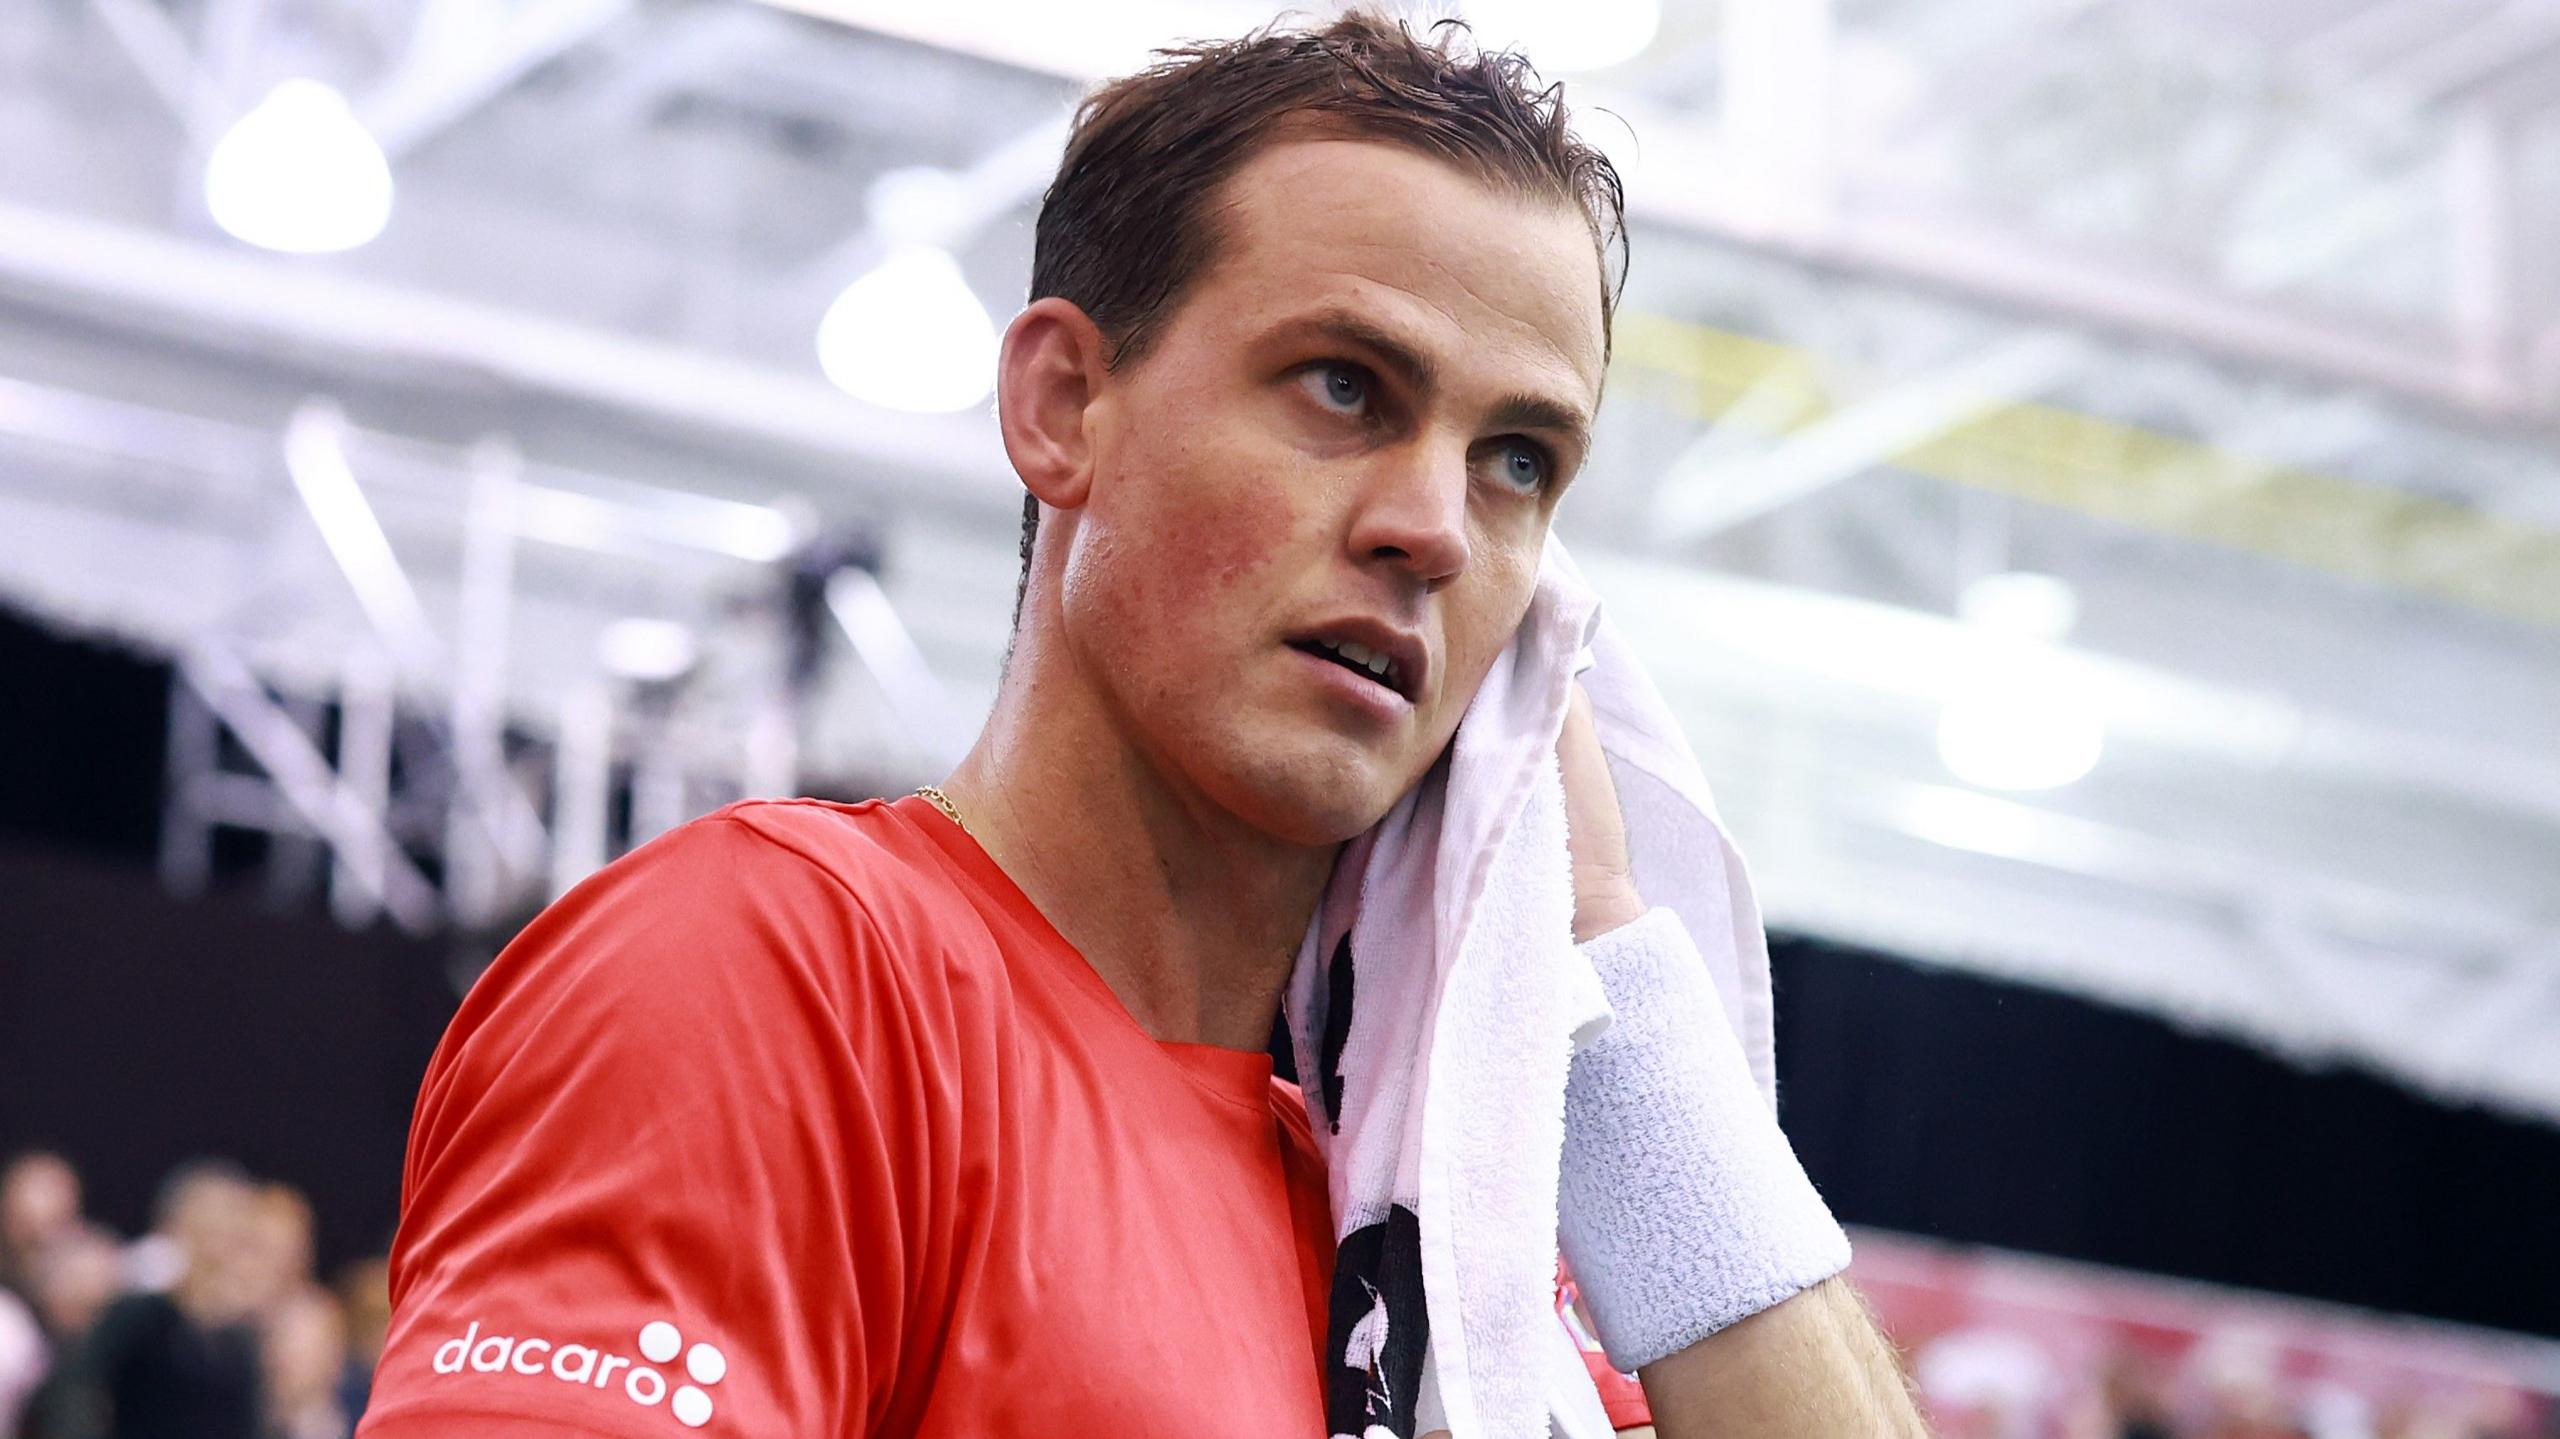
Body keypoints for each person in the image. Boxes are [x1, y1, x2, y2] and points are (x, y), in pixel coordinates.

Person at [357, 12, 1921, 1436]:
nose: (1435, 525)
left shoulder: (1443, 1234)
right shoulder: (780, 976)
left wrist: (1610, 988)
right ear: (1062, 406)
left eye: (1518, 461)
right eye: (1344, 387)